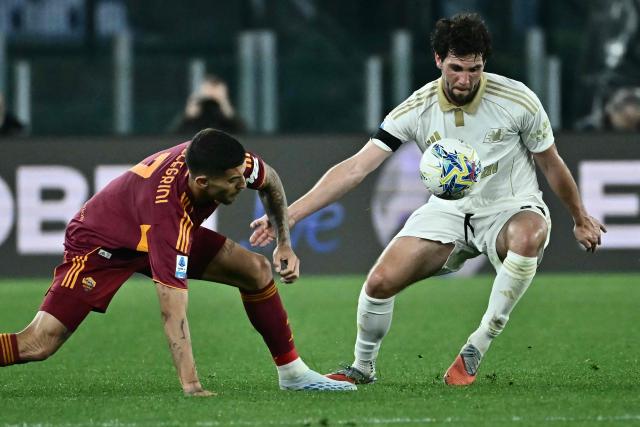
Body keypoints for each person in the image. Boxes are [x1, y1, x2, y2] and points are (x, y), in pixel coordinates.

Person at [249, 13, 606, 386]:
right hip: (448, 212)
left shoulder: (517, 100)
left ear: (484, 63)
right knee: (379, 282)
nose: (465, 80)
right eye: (456, 68)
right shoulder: (416, 109)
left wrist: (579, 217)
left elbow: (551, 164)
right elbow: (355, 168)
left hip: (510, 206)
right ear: (438, 60)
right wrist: (289, 215)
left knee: (529, 235)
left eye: (474, 69)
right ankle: (362, 367)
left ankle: (479, 343)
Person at [0, 128, 356, 394]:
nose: (240, 187)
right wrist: (192, 386)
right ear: (202, 181)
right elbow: (173, 312)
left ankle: (293, 374)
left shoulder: (230, 165)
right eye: (233, 183)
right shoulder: (168, 218)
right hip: (101, 244)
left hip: (144, 226)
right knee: (38, 344)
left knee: (256, 270)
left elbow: (271, 180)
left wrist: (284, 244)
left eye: (241, 178)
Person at [169, 75, 245, 135]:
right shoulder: (194, 115)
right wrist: (188, 115)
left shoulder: (226, 117)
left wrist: (225, 106)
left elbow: (244, 135)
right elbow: (173, 138)